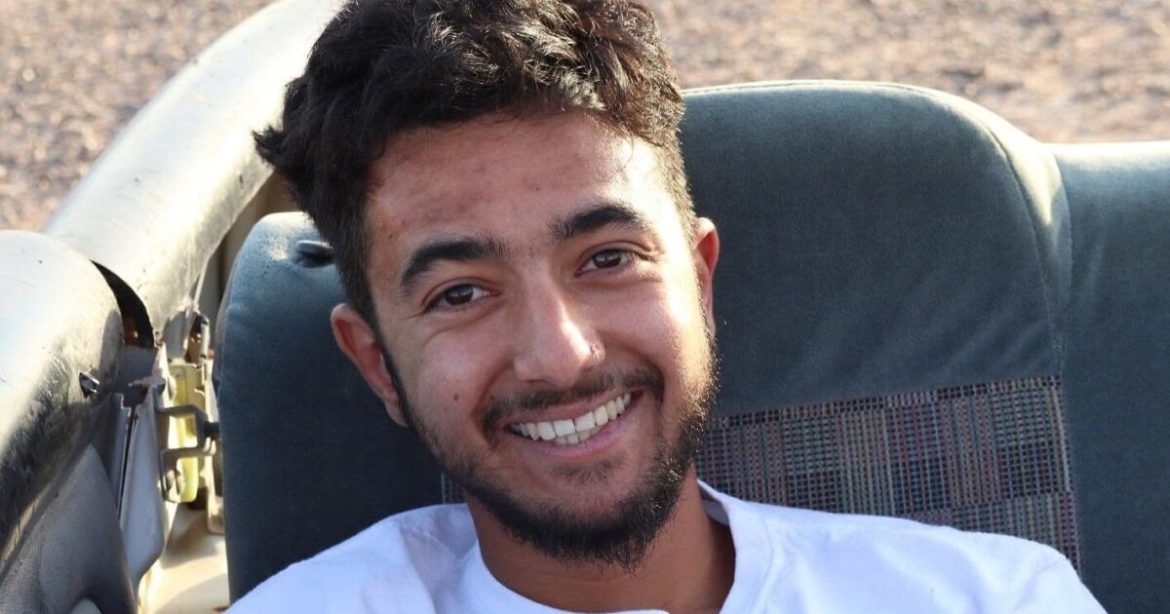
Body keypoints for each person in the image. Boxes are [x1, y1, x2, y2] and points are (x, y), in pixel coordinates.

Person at [231, 0, 1104, 611]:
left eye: (607, 259)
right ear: (378, 363)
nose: (560, 355)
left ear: (700, 279)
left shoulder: (994, 599)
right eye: (461, 293)